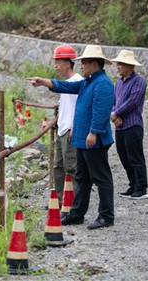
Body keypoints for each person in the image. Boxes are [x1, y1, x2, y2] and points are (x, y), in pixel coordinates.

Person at [27, 45, 115, 230]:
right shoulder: (87, 82)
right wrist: (43, 82)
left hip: (93, 139)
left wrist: (94, 131)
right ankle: (76, 214)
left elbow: (101, 110)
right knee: (82, 177)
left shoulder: (103, 83)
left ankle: (106, 216)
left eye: (84, 62)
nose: (81, 65)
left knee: (101, 178)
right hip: (82, 139)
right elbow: (65, 86)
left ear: (94, 63)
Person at [110, 50, 148, 200]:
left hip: (133, 124)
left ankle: (141, 187)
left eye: (121, 64)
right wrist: (114, 115)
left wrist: (116, 113)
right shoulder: (119, 83)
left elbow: (133, 101)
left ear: (129, 65)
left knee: (135, 156)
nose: (118, 66)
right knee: (124, 156)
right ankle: (133, 185)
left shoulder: (139, 81)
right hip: (120, 125)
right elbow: (113, 102)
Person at [51, 44, 83, 205]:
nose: (56, 66)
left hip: (70, 130)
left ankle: (73, 204)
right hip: (62, 129)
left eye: (58, 62)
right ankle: (59, 201)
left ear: (67, 63)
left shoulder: (78, 82)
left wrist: (75, 127)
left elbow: (81, 108)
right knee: (58, 166)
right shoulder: (67, 83)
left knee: (71, 168)